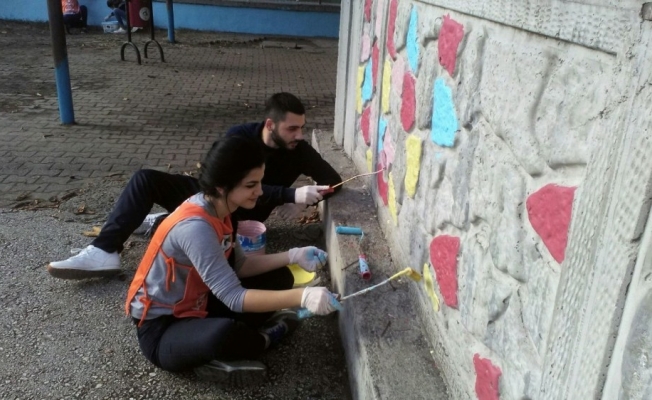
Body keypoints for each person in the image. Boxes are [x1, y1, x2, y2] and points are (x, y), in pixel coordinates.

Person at [47, 92, 342, 280]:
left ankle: (164, 223)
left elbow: (336, 181)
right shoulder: (240, 136)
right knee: (145, 179)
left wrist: (311, 197)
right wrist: (288, 193)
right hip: (217, 200)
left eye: (302, 127)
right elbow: (218, 184)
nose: (299, 135)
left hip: (243, 218)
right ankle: (105, 252)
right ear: (269, 125)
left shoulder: (299, 150)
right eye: (292, 128)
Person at [126, 135, 341, 385]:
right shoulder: (195, 227)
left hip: (199, 303)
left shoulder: (223, 209)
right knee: (223, 334)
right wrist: (302, 297)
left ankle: (222, 352)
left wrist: (292, 255)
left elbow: (241, 266)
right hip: (162, 329)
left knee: (281, 277)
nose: (260, 191)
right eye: (251, 185)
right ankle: (262, 340)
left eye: (260, 182)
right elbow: (234, 297)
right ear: (222, 186)